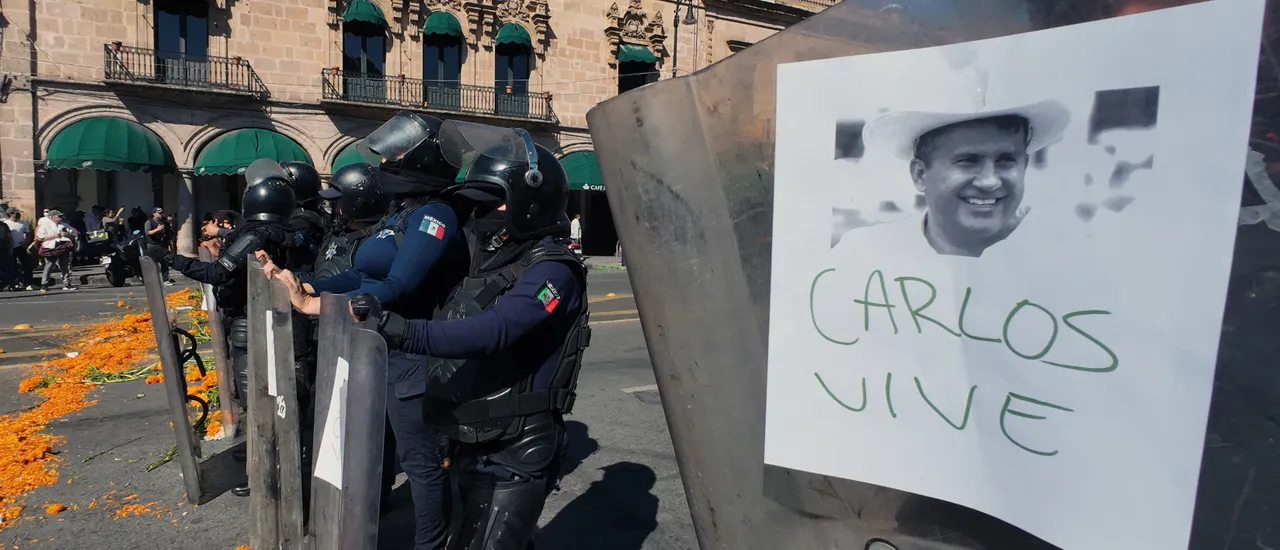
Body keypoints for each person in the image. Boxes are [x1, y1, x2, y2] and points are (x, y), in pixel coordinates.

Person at [312, 122, 590, 550]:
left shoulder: (553, 271)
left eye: (492, 203)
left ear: (530, 204)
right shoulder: (490, 265)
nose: (479, 216)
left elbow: (492, 332)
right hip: (475, 437)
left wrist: (397, 328)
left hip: (517, 445)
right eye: (474, 204)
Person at [272, 112, 469, 550]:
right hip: (383, 353)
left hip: (417, 357)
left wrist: (315, 304)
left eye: (398, 153)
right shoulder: (401, 213)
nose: (389, 161)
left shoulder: (435, 214)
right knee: (376, 449)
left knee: (422, 464)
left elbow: (398, 286)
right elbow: (356, 273)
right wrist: (305, 281)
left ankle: (431, 544)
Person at [145, 178, 296, 498]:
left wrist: (169, 258)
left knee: (257, 401)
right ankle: (260, 458)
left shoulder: (256, 235)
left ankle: (264, 473)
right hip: (260, 319)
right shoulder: (276, 231)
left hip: (250, 322)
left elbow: (217, 273)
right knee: (258, 401)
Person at [856, 100, 1070, 257]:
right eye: (968, 161)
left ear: (1025, 165)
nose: (990, 181)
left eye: (1006, 161)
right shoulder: (868, 256)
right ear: (920, 174)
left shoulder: (1062, 259)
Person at [35, 209, 78, 293]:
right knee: (49, 266)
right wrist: (56, 236)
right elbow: (40, 238)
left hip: (64, 246)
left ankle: (66, 283)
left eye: (61, 216)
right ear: (52, 217)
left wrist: (67, 235)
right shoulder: (45, 226)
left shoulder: (65, 225)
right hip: (51, 247)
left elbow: (74, 235)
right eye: (59, 216)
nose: (61, 218)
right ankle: (44, 285)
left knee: (65, 266)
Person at [145, 208, 175, 285]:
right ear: (154, 214)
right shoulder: (149, 222)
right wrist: (157, 229)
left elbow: (168, 234)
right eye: (159, 213)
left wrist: (171, 244)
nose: (161, 214)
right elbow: (148, 233)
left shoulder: (165, 222)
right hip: (152, 245)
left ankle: (165, 279)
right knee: (152, 264)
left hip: (162, 244)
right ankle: (152, 281)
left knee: (165, 262)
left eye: (161, 213)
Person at [6, 208, 33, 290]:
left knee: (27, 265)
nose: (17, 215)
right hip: (9, 248)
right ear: (10, 214)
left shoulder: (23, 223)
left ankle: (28, 283)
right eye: (15, 213)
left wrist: (26, 243)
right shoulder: (5, 223)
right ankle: (13, 284)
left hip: (20, 247)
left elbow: (28, 234)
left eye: (18, 213)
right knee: (11, 266)